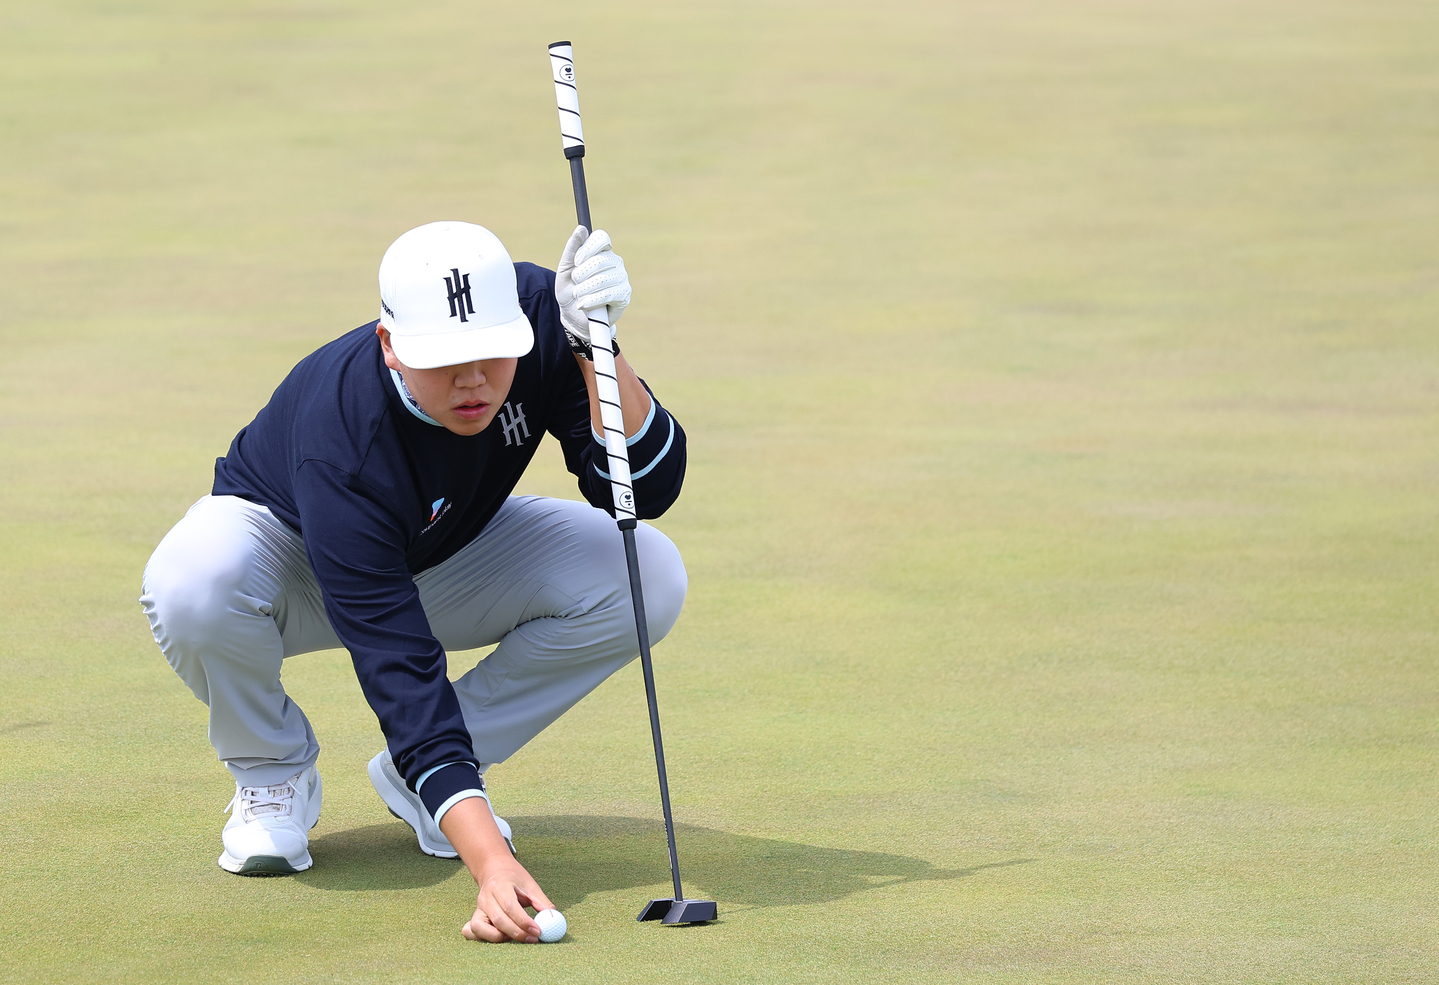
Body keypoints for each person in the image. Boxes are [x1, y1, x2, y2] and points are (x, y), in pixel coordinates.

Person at [139, 220, 688, 944]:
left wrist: (598, 349)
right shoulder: (345, 439)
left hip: (445, 547)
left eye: (492, 355)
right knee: (192, 579)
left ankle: (423, 782)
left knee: (645, 569)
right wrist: (490, 863)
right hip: (288, 566)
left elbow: (640, 493)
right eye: (443, 360)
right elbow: (398, 667)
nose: (472, 381)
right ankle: (272, 770)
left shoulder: (543, 317)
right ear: (389, 344)